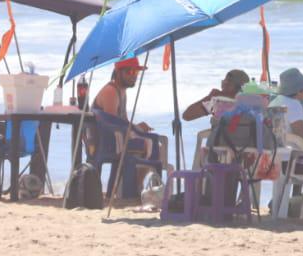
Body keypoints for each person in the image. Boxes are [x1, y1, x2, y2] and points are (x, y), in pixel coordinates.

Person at [92, 57, 166, 200]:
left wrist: (137, 127)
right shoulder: (111, 91)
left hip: (117, 138)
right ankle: (132, 192)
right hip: (108, 142)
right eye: (130, 71)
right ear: (118, 72)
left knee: (155, 143)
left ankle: (136, 188)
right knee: (150, 144)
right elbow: (112, 123)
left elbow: (123, 121)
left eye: (136, 72)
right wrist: (136, 129)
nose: (134, 76)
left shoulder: (121, 91)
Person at [270, 67, 303, 149]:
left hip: (275, 148)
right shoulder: (294, 105)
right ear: (299, 90)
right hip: (292, 151)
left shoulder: (275, 101)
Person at [181, 69, 251, 122]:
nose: (222, 82)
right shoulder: (255, 103)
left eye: (225, 80)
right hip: (247, 140)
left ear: (228, 84)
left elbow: (187, 115)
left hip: (224, 140)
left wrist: (210, 97)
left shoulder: (218, 102)